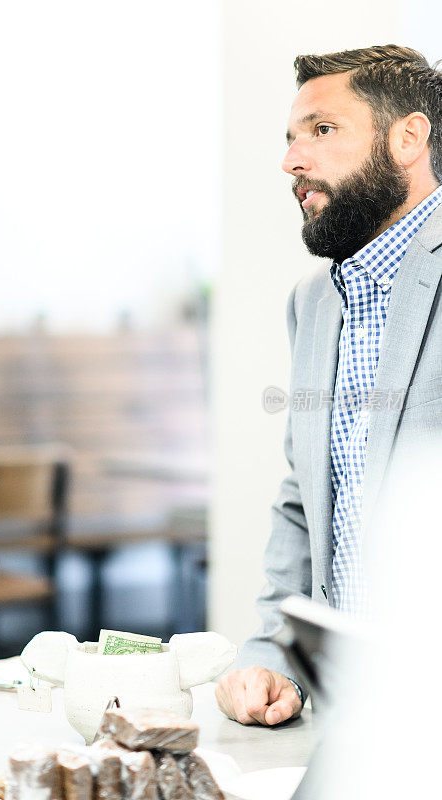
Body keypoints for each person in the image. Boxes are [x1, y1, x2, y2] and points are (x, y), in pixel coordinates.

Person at [215, 44, 442, 727]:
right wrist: (273, 656)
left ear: (409, 138)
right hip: (351, 716)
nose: (292, 160)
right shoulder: (314, 300)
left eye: (321, 129)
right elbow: (304, 501)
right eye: (290, 139)